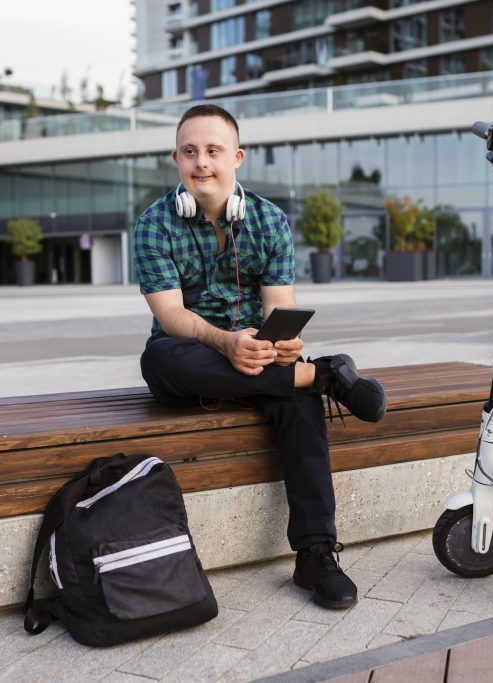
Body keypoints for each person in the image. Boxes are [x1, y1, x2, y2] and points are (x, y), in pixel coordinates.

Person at [133, 104, 388, 610]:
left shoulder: (269, 221)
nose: (201, 162)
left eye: (212, 151)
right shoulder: (153, 224)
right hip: (194, 353)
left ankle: (315, 555)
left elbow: (281, 308)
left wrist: (286, 344)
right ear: (176, 160)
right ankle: (322, 375)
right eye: (190, 152)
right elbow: (171, 316)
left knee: (296, 402)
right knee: (161, 362)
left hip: (263, 356)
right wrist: (227, 342)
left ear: (237, 157)